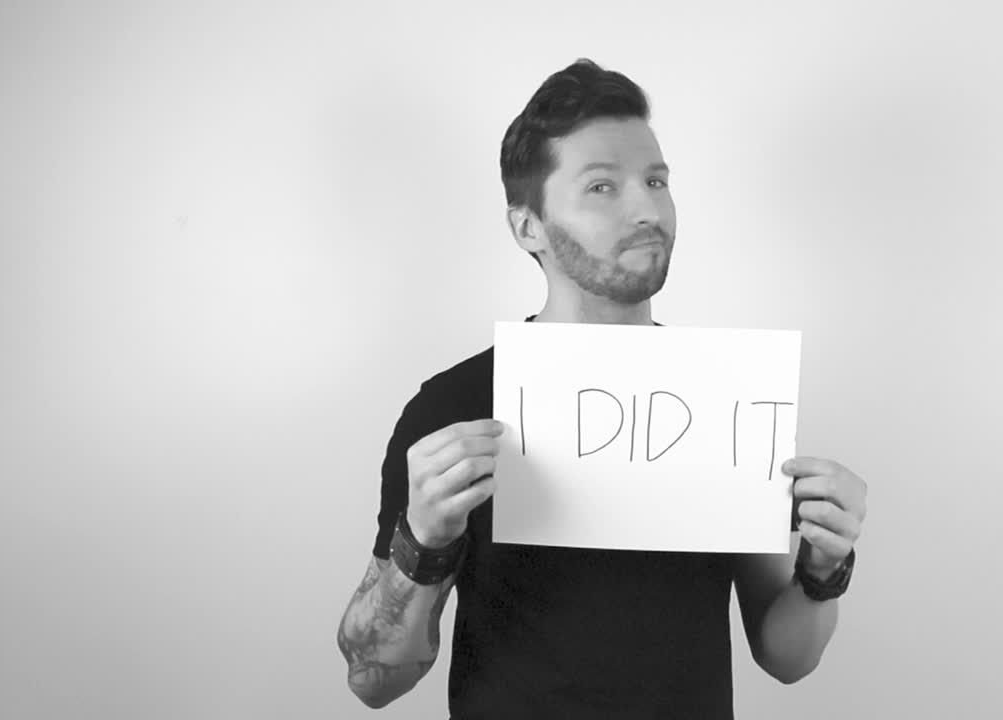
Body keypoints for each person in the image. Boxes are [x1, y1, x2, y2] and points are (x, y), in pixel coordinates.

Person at [336, 58, 869, 719]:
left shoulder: (725, 398)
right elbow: (373, 680)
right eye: (601, 187)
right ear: (527, 227)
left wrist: (824, 568)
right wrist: (422, 537)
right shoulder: (454, 408)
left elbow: (786, 656)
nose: (647, 206)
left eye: (655, 180)